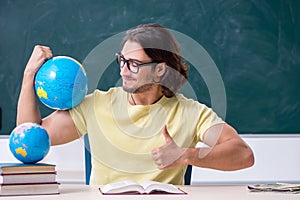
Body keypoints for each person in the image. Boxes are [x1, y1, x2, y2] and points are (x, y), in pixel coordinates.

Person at [17, 23, 254, 185]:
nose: (123, 70)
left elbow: (244, 155)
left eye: (134, 64)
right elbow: (28, 136)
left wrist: (186, 155)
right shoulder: (97, 105)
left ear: (160, 69)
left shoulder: (191, 112)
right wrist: (29, 76)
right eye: (122, 60)